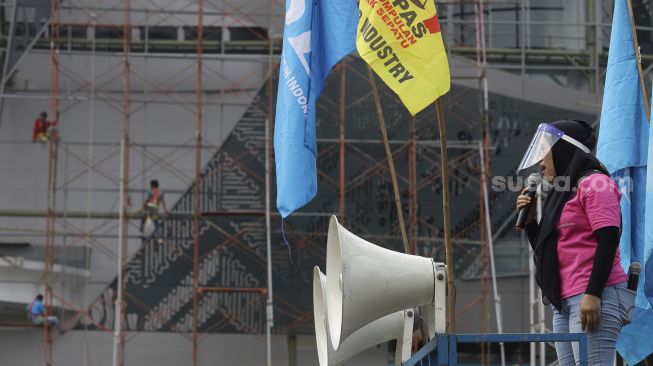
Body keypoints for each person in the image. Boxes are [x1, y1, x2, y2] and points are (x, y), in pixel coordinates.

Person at [515, 120, 635, 365]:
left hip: (594, 293)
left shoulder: (595, 184)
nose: (540, 162)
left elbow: (608, 238)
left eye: (544, 152)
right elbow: (546, 248)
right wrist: (530, 223)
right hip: (564, 299)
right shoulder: (562, 193)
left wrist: (593, 293)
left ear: (562, 150)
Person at [140, 179, 168, 244]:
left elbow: (147, 200)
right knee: (156, 224)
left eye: (150, 185)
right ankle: (159, 238)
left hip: (150, 207)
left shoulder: (151, 191)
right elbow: (163, 201)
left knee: (145, 217)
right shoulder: (160, 192)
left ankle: (142, 227)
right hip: (155, 208)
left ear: (152, 185)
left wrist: (143, 208)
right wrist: (165, 209)